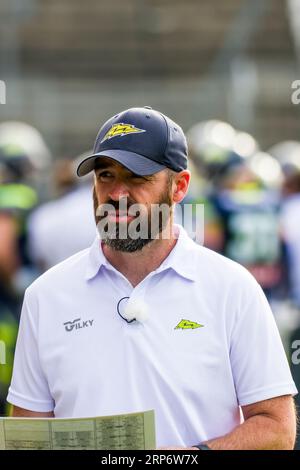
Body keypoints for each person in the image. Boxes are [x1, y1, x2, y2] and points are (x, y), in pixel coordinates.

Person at [7, 107, 297, 450]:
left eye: (137, 178)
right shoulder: (46, 295)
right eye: (105, 176)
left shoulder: (233, 288)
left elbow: (277, 429)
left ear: (180, 187)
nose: (116, 195)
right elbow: (27, 438)